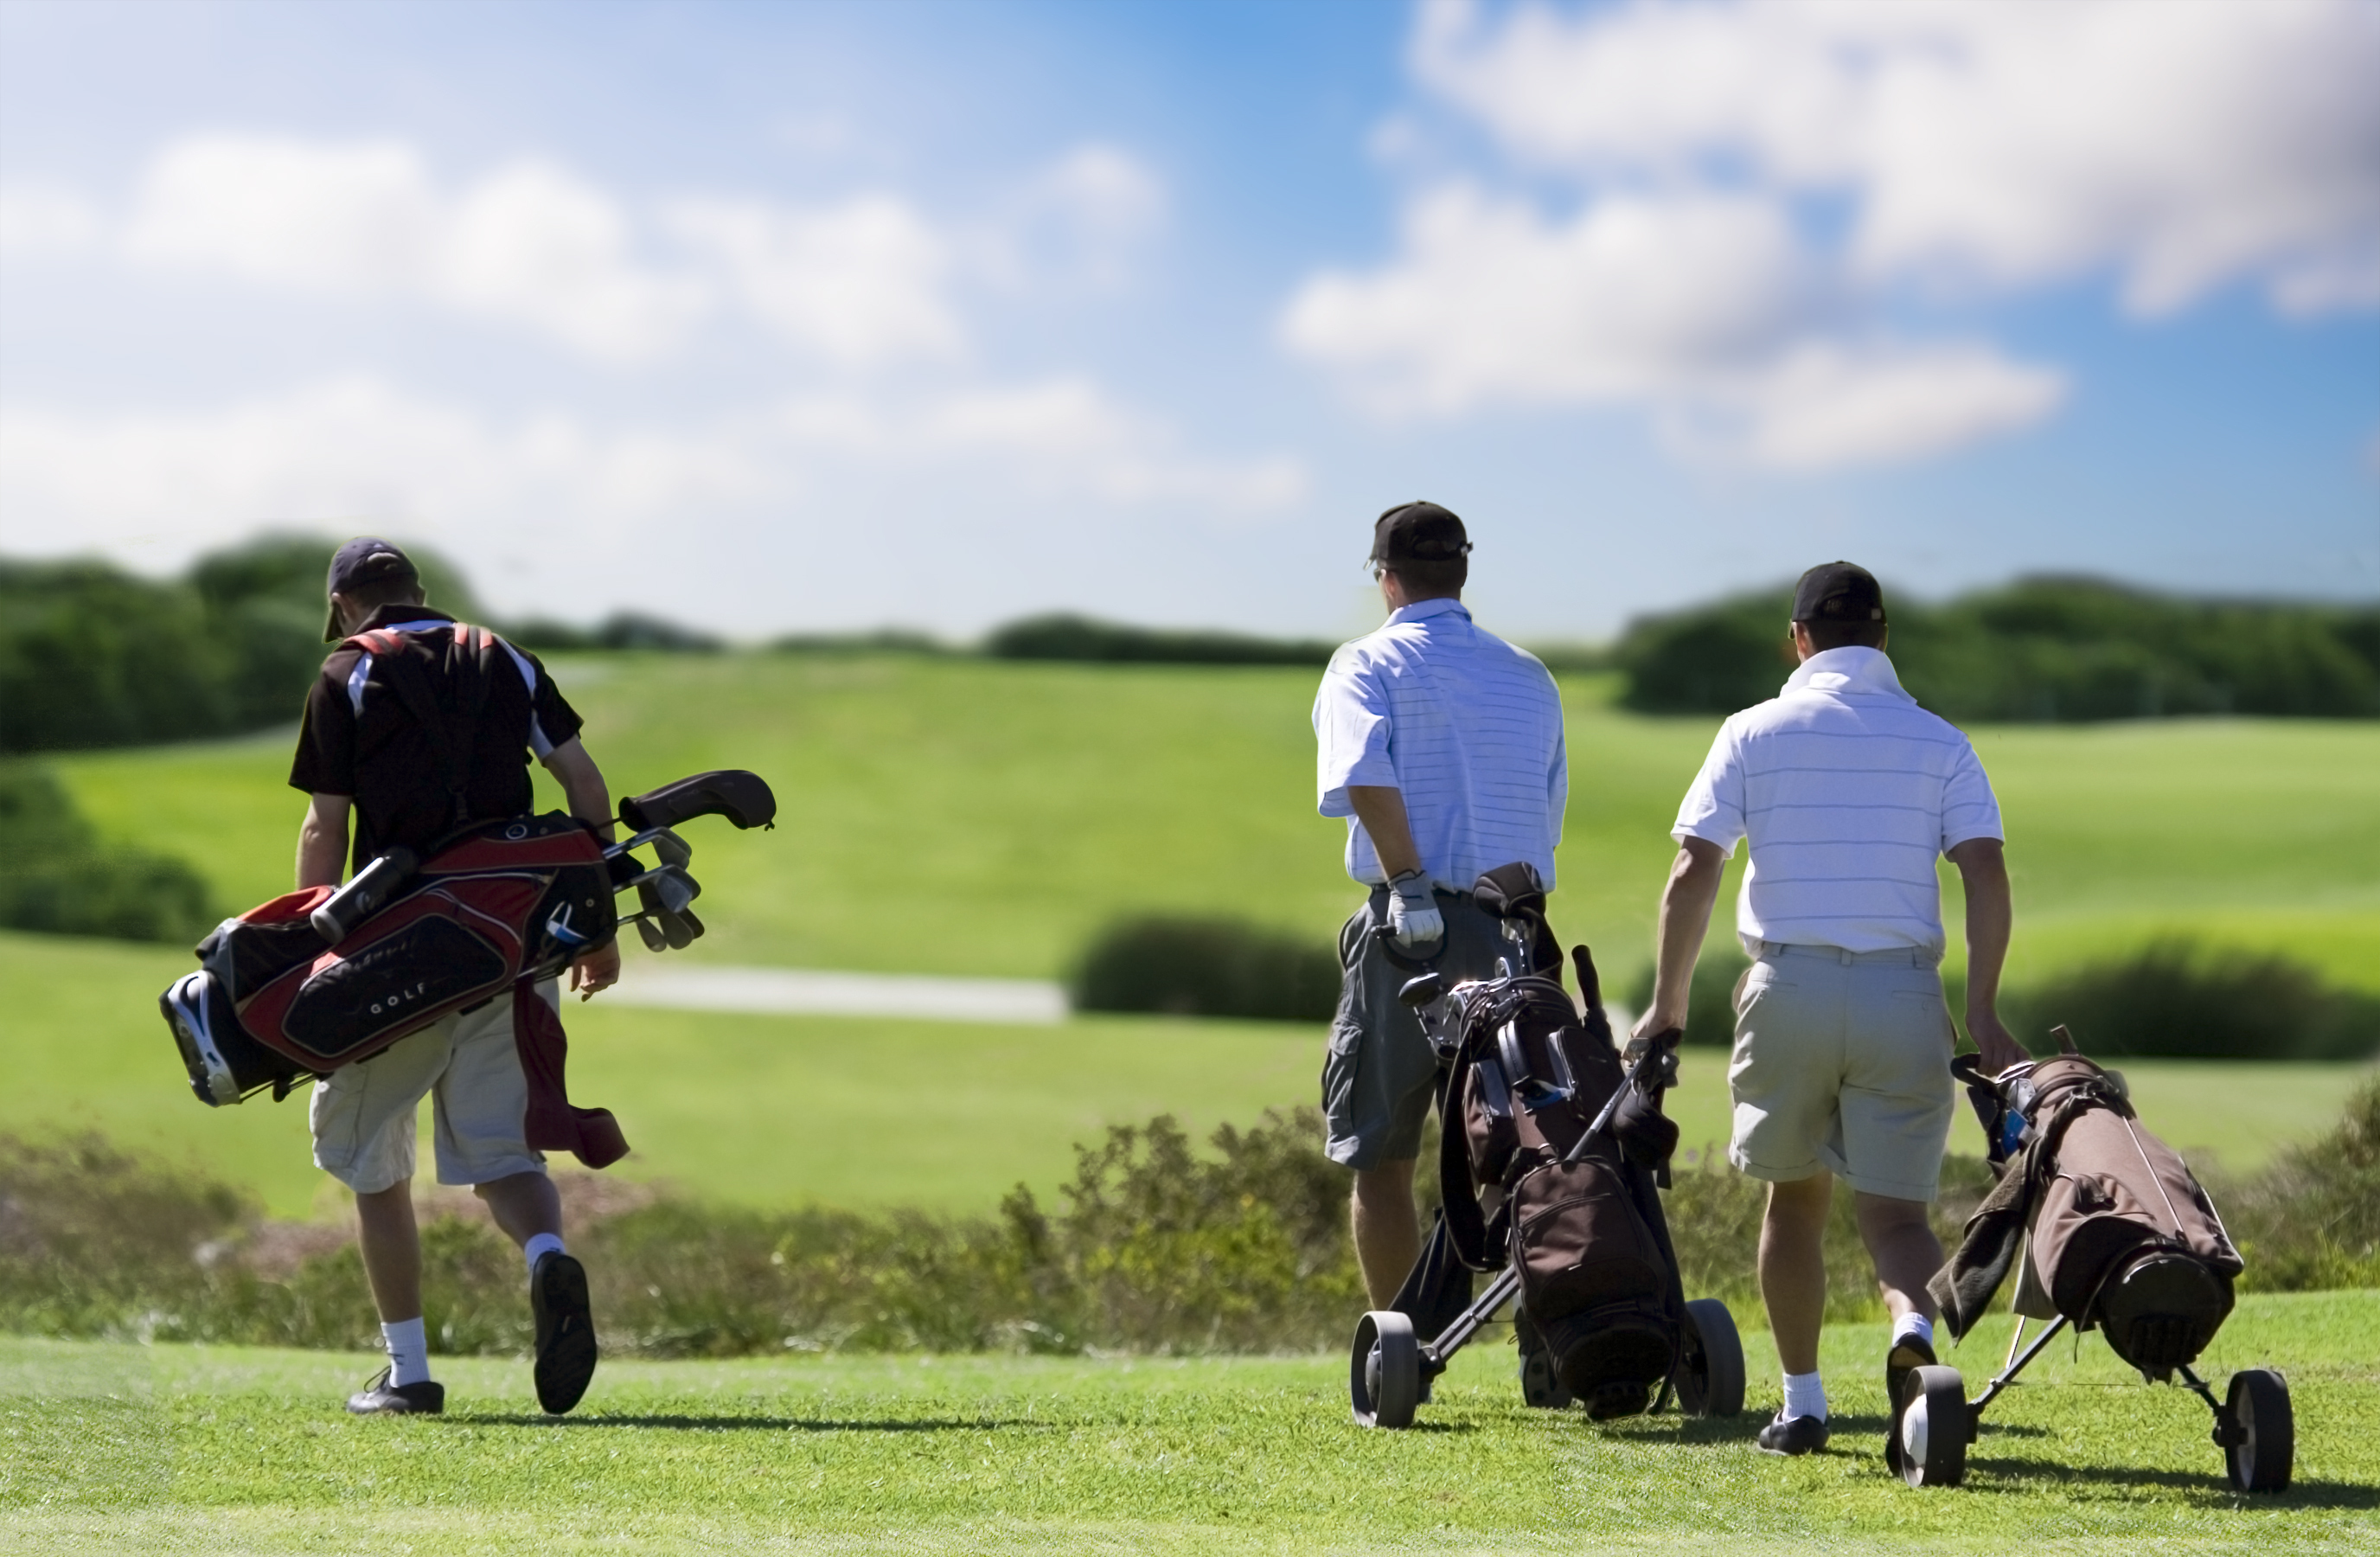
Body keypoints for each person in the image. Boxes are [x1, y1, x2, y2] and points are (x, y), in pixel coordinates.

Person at [1631, 561, 2028, 1456]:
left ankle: (1804, 1406)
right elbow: (1985, 871)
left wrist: (1664, 1007)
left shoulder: (1748, 732)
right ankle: (1911, 1339)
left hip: (1789, 988)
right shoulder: (1940, 741)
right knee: (1896, 1219)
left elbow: (1695, 867)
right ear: (1883, 638)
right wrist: (1985, 1012)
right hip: (1901, 993)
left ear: (1798, 639)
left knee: (1793, 1204)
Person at [290, 537, 623, 1417]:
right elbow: (582, 781)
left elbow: (327, 831)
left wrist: (307, 954)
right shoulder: (501, 655)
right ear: (420, 592)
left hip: (394, 951)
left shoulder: (348, 673)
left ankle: (409, 1373)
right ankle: (547, 1253)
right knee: (503, 1152)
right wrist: (596, 925)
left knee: (372, 1163)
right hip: (515, 944)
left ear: (345, 606)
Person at [1313, 501, 1569, 1308]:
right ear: (1461, 571)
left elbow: (1364, 772)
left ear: (1385, 579)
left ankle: (1406, 1344)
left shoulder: (1365, 664)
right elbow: (1547, 806)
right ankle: (1538, 1331)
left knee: (1382, 1156)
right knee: (1522, 1147)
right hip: (1514, 935)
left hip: (1410, 932)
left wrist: (1411, 883)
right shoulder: (1529, 676)